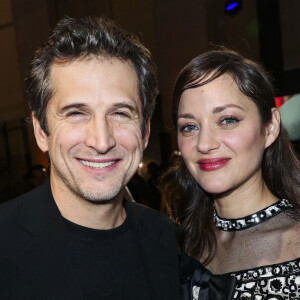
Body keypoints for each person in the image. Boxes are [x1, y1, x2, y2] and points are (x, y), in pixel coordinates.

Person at [0, 16, 180, 299]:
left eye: (120, 113)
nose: (102, 141)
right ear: (40, 131)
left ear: (145, 133)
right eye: (76, 113)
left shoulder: (173, 245)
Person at [173, 48, 300, 299]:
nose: (204, 144)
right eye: (189, 126)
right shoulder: (176, 245)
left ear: (271, 126)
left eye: (228, 120)